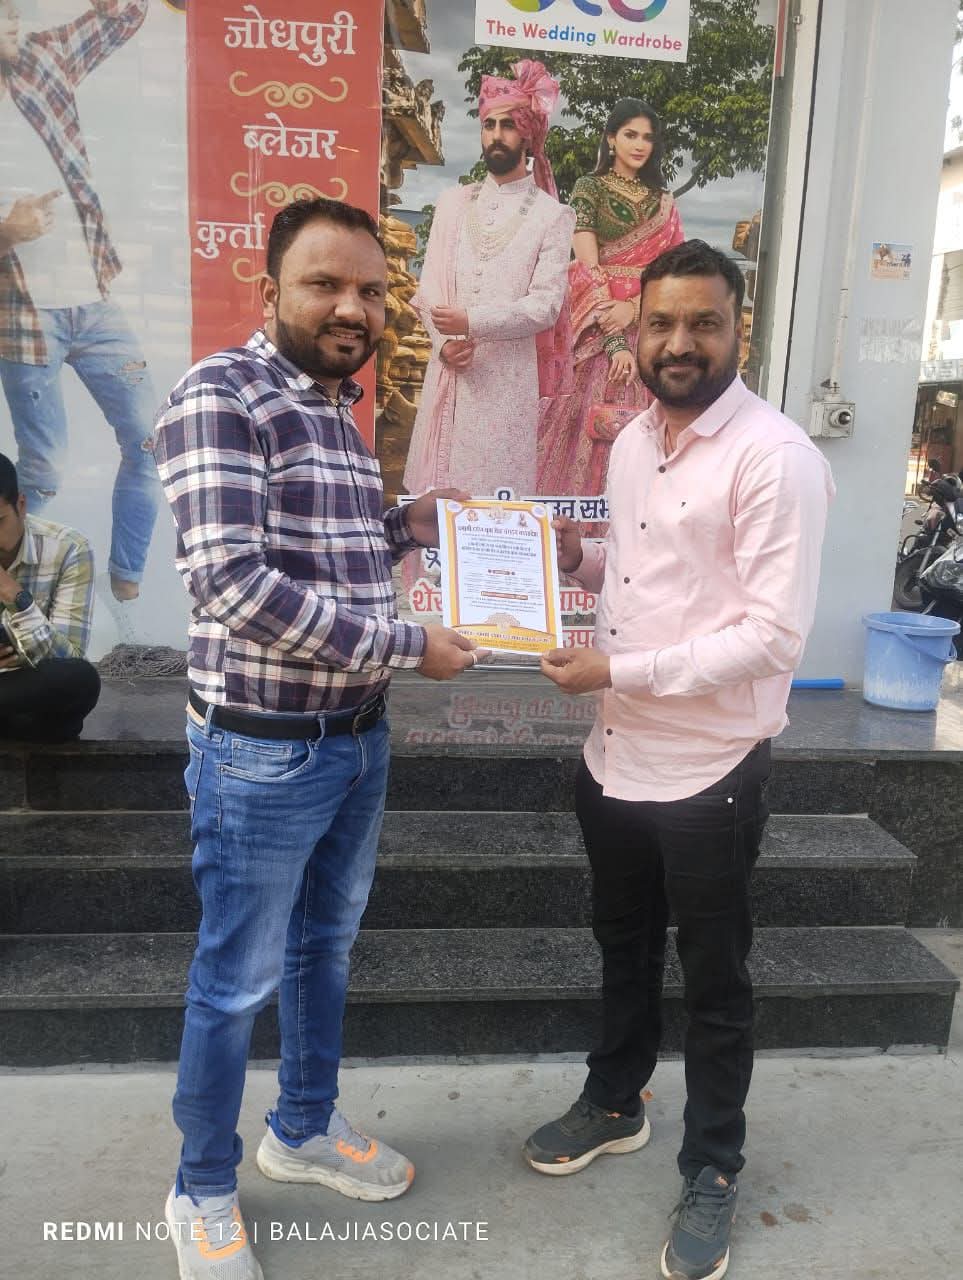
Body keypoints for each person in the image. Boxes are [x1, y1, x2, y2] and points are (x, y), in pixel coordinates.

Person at [153, 197, 483, 1280]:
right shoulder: (222, 394)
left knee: (322, 950)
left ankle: (300, 1127)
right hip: (261, 748)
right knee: (235, 979)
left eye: (372, 291)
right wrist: (407, 644)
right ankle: (201, 1185)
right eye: (325, 284)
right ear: (270, 291)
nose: (353, 308)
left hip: (354, 737)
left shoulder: (336, 408)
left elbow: (327, 547)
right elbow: (234, 585)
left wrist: (408, 522)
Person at [525, 241, 834, 1280]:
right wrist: (576, 558)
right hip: (614, 754)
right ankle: (616, 1099)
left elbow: (771, 637)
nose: (678, 342)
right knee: (620, 947)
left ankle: (713, 1165)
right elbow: (645, 563)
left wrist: (617, 666)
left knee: (714, 982)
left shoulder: (776, 457)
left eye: (703, 322)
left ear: (740, 329)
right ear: (638, 331)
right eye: (660, 322)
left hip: (710, 769)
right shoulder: (630, 442)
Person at [0, 0, 159, 628]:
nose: (12, 19)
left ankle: (126, 588)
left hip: (93, 302)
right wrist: (6, 232)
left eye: (13, 10)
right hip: (22, 319)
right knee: (44, 471)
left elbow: (124, 15)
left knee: (150, 441)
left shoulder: (43, 58)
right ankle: (11, 592)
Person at [403, 59, 575, 499]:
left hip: (506, 388)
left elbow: (545, 306)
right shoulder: (453, 203)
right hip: (450, 375)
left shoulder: (553, 216)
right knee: (435, 509)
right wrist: (444, 345)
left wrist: (471, 321)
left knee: (495, 504)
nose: (496, 135)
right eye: (489, 125)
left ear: (528, 135)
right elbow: (429, 289)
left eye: (508, 125)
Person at [536, 99, 684, 498]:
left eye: (647, 138)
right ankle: (577, 526)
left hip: (650, 328)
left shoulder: (663, 202)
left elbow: (675, 274)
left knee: (645, 432)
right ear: (611, 139)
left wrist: (634, 310)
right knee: (586, 427)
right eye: (630, 135)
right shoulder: (590, 188)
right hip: (598, 331)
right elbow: (587, 269)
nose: (639, 145)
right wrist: (616, 340)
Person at [0, 450, 99, 741]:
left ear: (21, 505)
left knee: (80, 679)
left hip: (28, 691)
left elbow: (67, 659)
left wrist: (16, 597)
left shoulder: (69, 548)